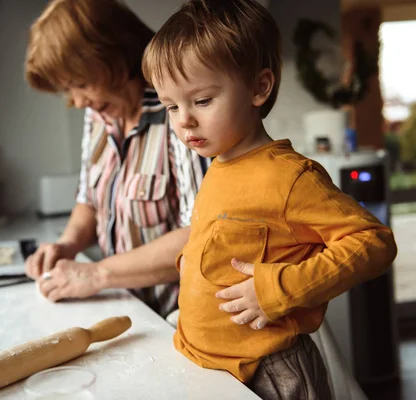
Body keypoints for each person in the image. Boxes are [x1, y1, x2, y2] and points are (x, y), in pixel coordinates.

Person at [141, 0, 397, 398]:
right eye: (171, 106)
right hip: (209, 365)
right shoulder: (218, 165)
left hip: (271, 372)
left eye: (202, 101)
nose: (183, 120)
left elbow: (374, 243)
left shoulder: (289, 177)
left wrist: (281, 288)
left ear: (260, 87)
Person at [23, 0, 208, 318]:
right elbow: (90, 200)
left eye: (81, 84)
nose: (78, 102)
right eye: (68, 90)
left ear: (115, 57)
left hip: (177, 319)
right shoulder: (98, 115)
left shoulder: (177, 113)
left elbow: (202, 235)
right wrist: (66, 245)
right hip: (127, 309)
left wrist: (97, 274)